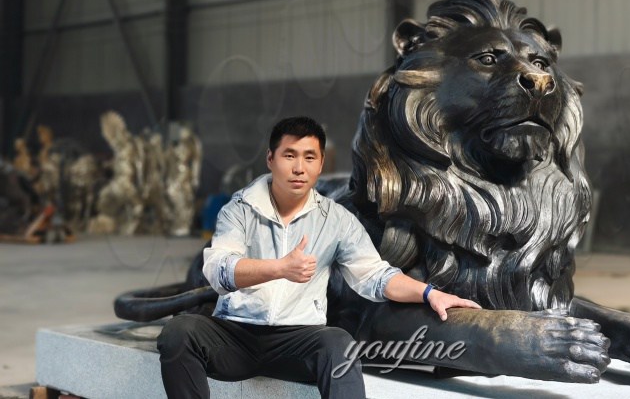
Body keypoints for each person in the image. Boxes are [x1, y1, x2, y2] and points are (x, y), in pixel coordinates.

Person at [157, 116, 480, 399]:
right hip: (235, 336)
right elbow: (218, 270)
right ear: (271, 159)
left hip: (297, 341)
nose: (299, 168)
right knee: (180, 332)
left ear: (321, 163)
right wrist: (280, 268)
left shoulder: (336, 219)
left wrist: (429, 293)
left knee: (338, 343)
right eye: (289, 155)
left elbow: (374, 276)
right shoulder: (239, 210)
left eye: (309, 157)